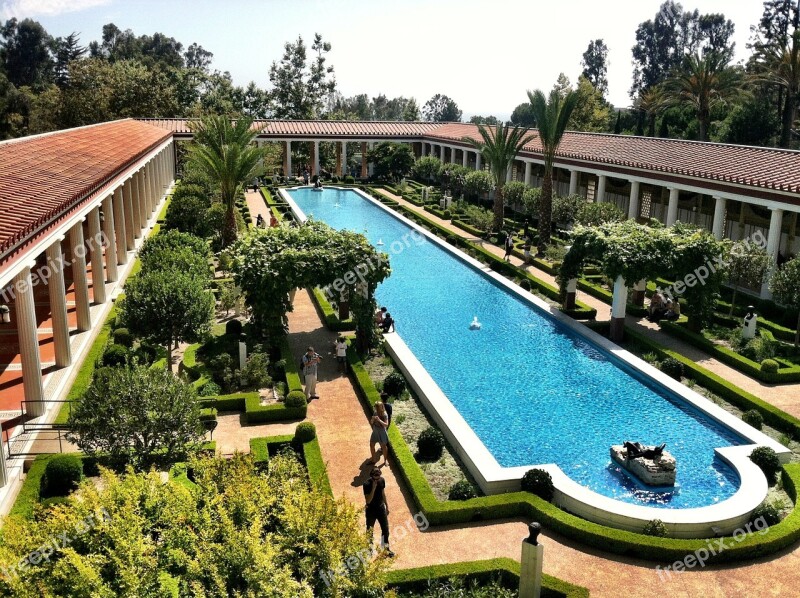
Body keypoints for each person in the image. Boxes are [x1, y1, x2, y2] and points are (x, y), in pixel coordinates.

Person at [363, 467, 393, 557]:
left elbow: (383, 493)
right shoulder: (366, 484)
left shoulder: (382, 480)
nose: (378, 477)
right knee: (369, 531)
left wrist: (387, 506)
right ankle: (368, 550)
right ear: (372, 475)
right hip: (371, 510)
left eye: (379, 475)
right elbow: (368, 500)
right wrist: (373, 488)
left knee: (385, 530)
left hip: (381, 508)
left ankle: (385, 550)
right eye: (376, 475)